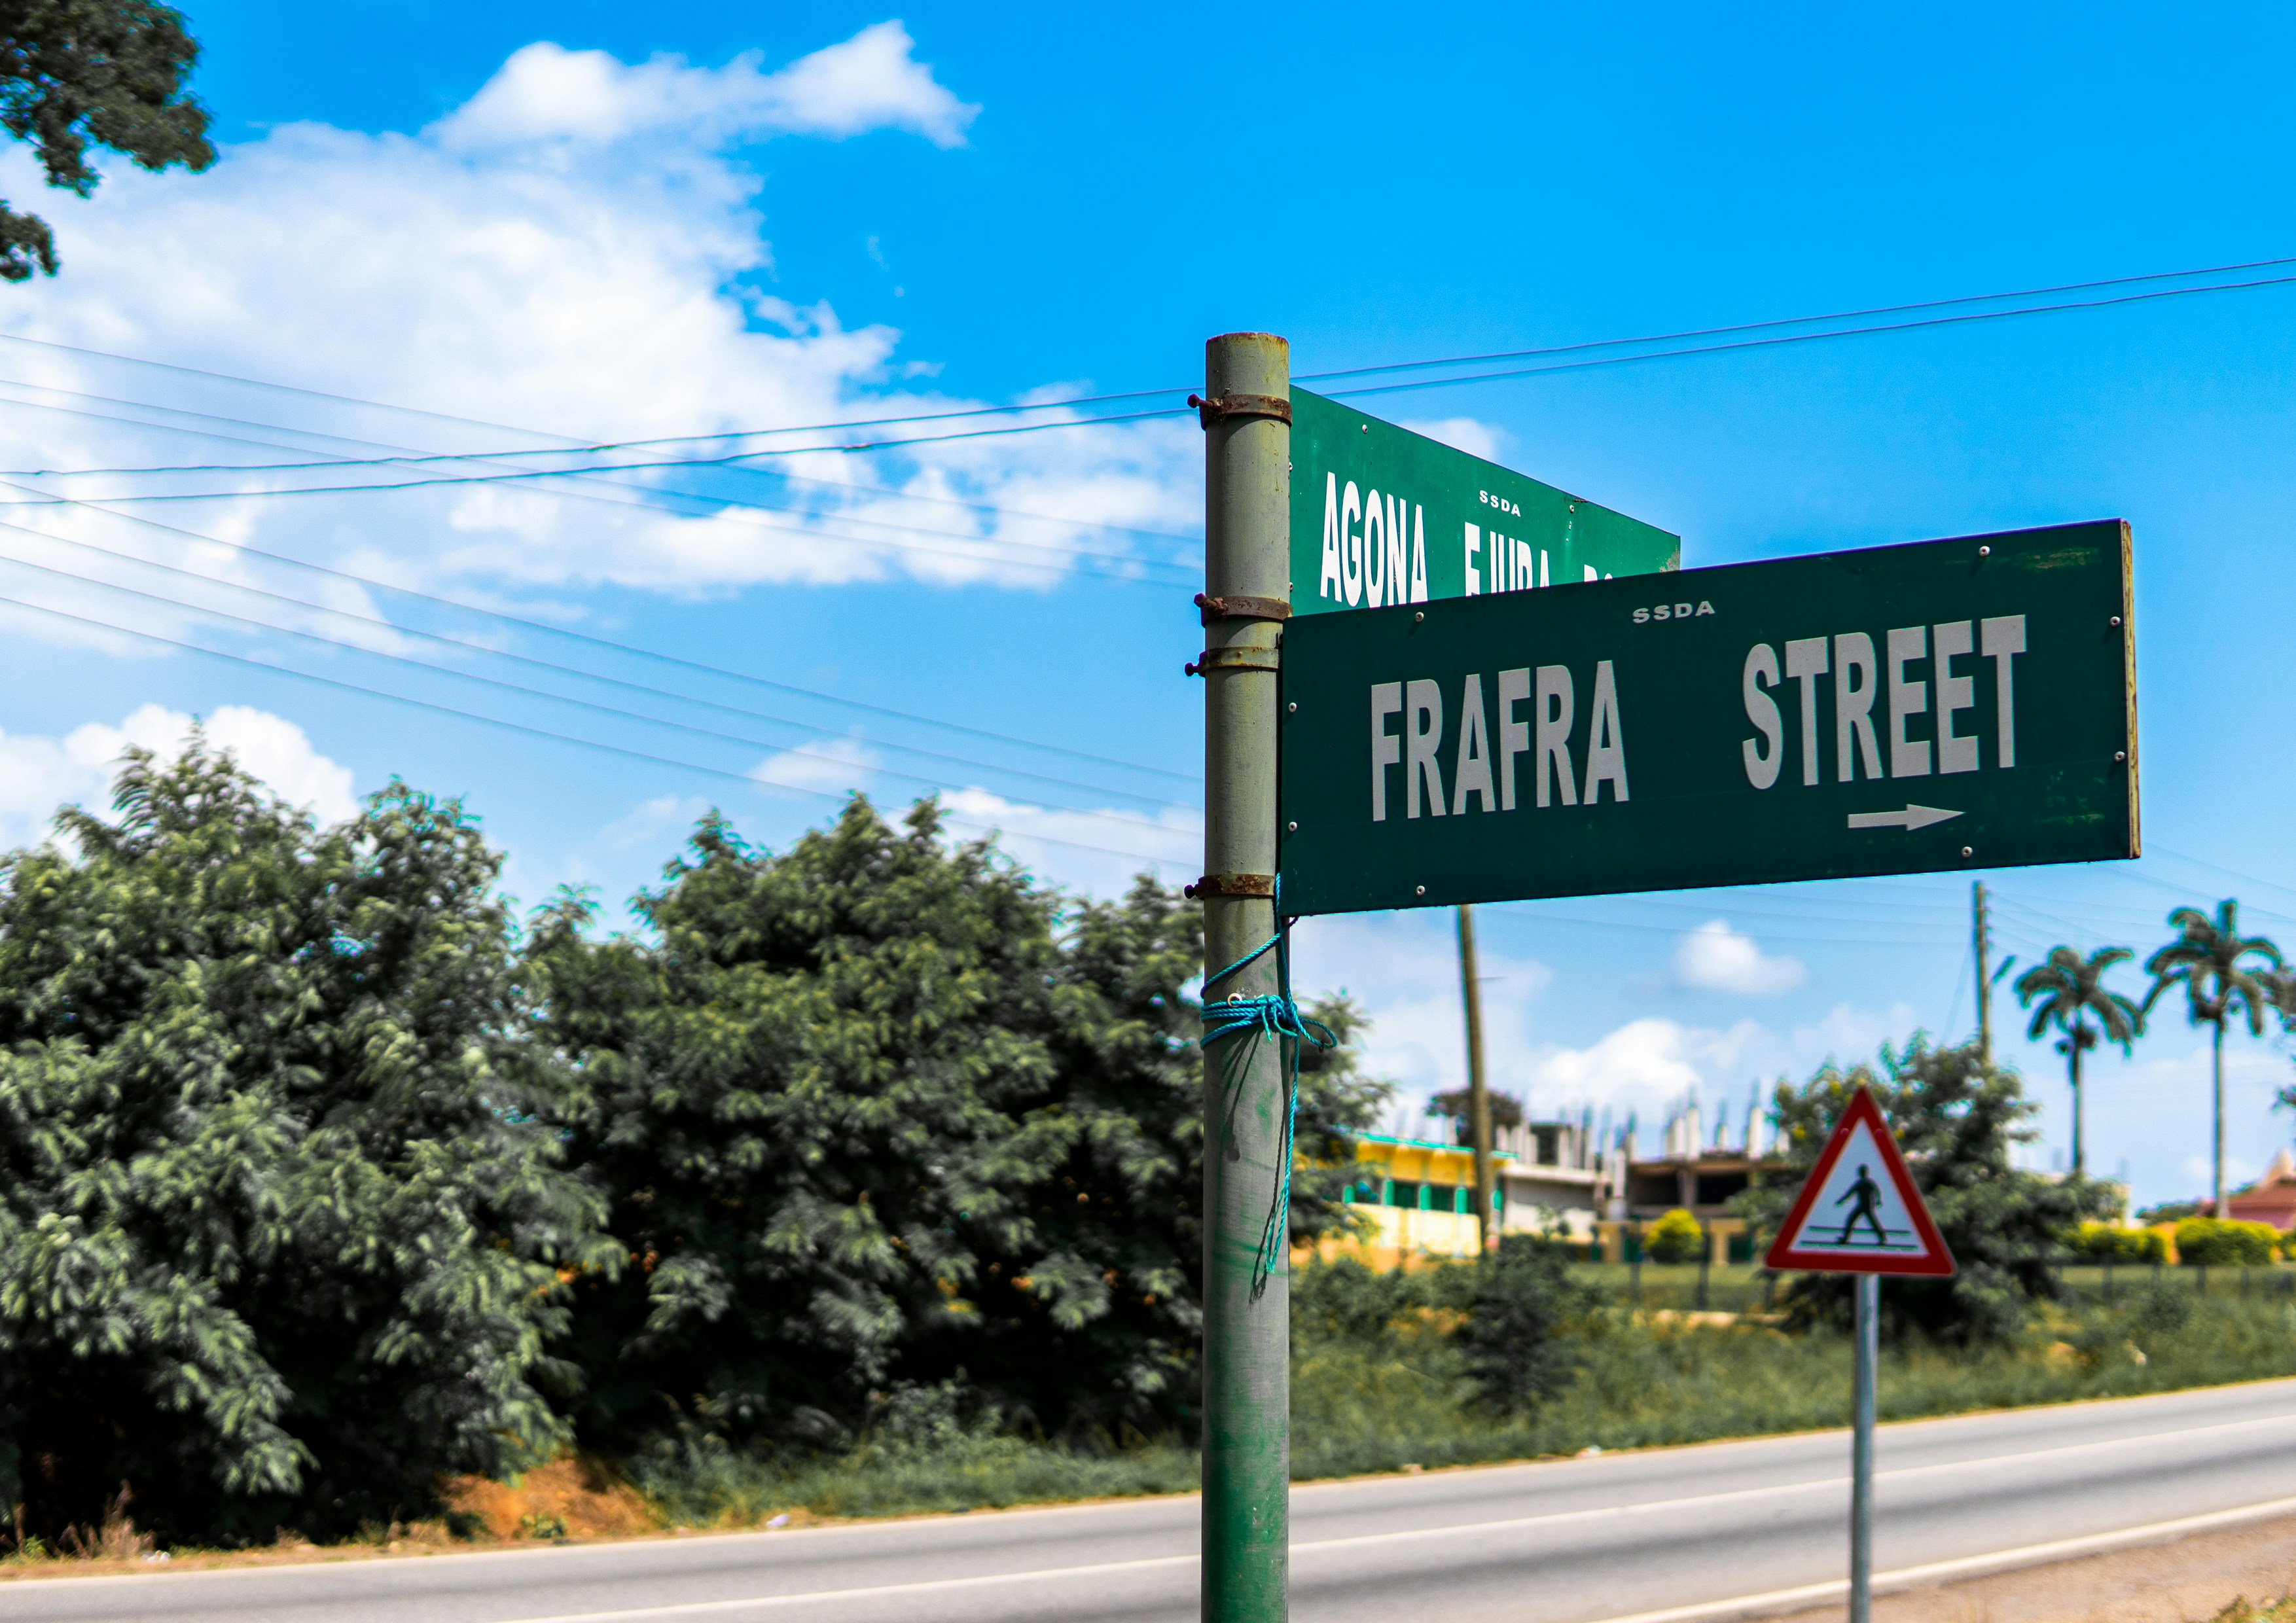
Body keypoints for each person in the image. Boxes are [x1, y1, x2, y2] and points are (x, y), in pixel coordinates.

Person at [1834, 1164, 1888, 1247]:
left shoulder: (1869, 1183)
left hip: (1868, 1206)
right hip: (1862, 1206)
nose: (1861, 1174)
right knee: (1851, 1220)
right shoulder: (1859, 1184)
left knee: (1873, 1222)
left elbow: (1877, 1191)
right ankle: (1845, 1239)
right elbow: (1849, 1194)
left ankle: (1883, 1239)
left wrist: (1879, 1201)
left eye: (1862, 1172)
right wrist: (1841, 1201)